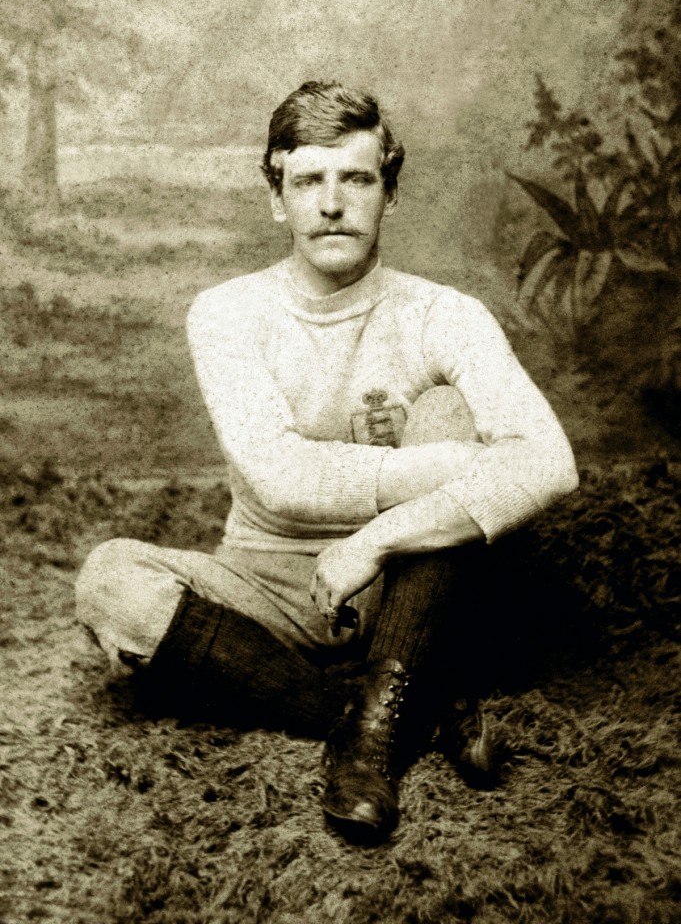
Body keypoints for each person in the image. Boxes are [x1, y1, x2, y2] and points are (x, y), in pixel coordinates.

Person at [75, 81, 579, 844]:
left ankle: (376, 721)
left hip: (402, 588)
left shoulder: (444, 314)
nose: (331, 203)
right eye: (308, 180)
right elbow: (279, 478)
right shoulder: (227, 312)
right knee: (111, 582)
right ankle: (385, 714)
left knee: (443, 404)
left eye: (357, 178)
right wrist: (459, 466)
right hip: (264, 587)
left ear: (390, 191)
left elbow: (551, 463)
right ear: (277, 197)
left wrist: (377, 538)